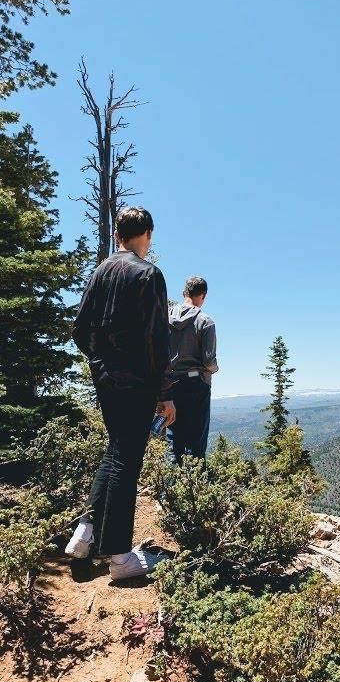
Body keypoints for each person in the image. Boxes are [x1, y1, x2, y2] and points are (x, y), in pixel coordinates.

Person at [66, 206, 176, 581]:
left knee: (115, 451)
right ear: (148, 234)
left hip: (107, 381)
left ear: (118, 235)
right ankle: (119, 557)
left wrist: (101, 363)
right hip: (138, 383)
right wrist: (165, 391)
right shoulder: (149, 275)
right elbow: (157, 340)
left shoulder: (101, 272)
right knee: (127, 462)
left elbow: (80, 330)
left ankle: (85, 534)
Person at [166, 275, 218, 464]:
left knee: (173, 438)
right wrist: (214, 370)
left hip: (170, 385)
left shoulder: (165, 319)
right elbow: (209, 360)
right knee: (196, 441)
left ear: (184, 293)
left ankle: (170, 489)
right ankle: (195, 488)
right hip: (197, 384)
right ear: (203, 296)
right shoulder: (205, 321)